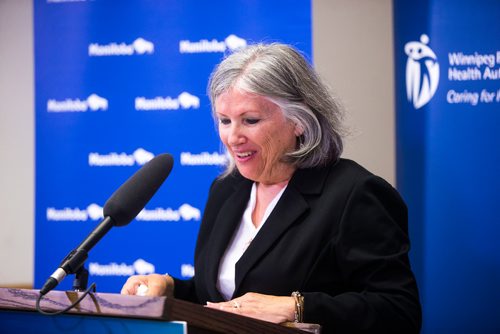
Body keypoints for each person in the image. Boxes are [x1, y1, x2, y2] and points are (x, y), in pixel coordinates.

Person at [121, 43, 422, 333]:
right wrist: (172, 289)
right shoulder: (226, 189)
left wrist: (296, 307)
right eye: (225, 120)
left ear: (299, 121)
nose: (232, 136)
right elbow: (224, 299)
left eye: (250, 120)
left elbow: (399, 310)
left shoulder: (355, 193)